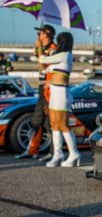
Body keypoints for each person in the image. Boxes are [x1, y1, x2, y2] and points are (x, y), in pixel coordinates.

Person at [15, 25, 57, 160]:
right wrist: (38, 47)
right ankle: (32, 149)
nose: (38, 35)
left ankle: (54, 152)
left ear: (47, 34)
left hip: (49, 89)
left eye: (40, 32)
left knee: (50, 122)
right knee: (36, 120)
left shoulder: (53, 49)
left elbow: (44, 64)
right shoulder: (44, 48)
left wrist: (39, 48)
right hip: (41, 88)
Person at [39, 32, 80, 167]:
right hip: (55, 91)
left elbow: (42, 60)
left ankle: (74, 153)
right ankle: (58, 154)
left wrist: (39, 47)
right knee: (54, 124)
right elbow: (44, 68)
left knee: (63, 124)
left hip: (62, 92)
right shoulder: (59, 57)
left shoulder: (65, 55)